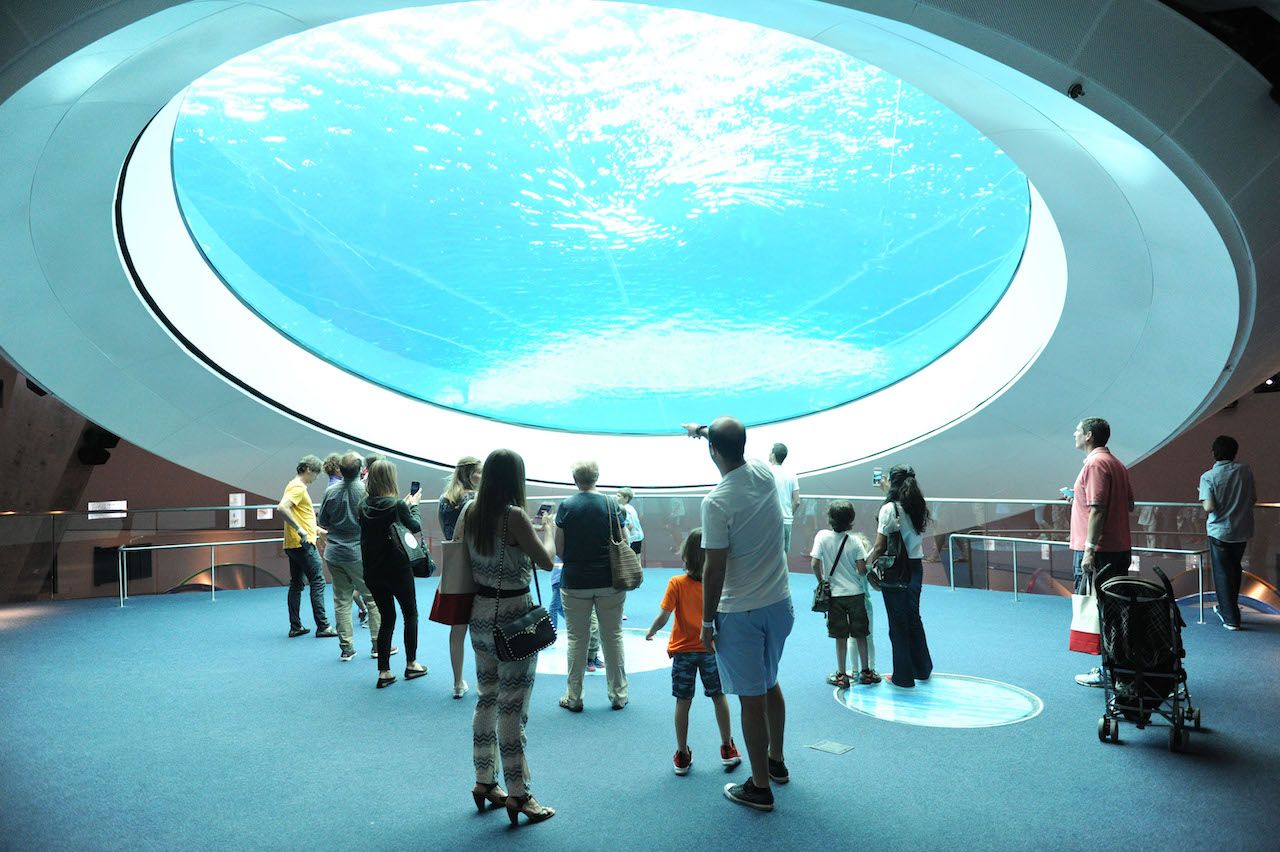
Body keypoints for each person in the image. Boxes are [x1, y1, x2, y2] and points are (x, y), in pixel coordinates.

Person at [682, 419, 792, 813]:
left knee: (750, 700)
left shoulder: (715, 501)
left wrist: (707, 621)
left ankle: (760, 786)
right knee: (770, 683)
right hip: (779, 605)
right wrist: (705, 430)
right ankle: (776, 762)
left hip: (740, 614)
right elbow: (730, 440)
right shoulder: (764, 471)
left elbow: (714, 568)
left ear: (713, 451)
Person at [457, 448, 557, 826]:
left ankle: (484, 781)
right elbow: (546, 561)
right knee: (513, 706)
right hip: (513, 617)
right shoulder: (513, 516)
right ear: (516, 479)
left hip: (480, 613)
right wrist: (547, 532)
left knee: (487, 698)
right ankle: (519, 793)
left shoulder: (471, 511)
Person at [645, 528, 741, 776]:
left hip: (683, 652)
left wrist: (652, 630)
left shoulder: (676, 583)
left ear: (686, 554)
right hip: (710, 650)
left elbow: (664, 616)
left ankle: (682, 753)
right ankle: (727, 747)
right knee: (718, 696)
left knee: (683, 701)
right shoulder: (718, 583)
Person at [555, 460, 629, 711]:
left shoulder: (566, 506)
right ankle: (619, 694)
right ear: (597, 477)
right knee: (613, 636)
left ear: (574, 478)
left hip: (575, 581)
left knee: (577, 639)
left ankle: (574, 697)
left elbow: (560, 550)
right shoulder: (611, 504)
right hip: (610, 580)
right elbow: (624, 539)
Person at [1066, 417, 1135, 687]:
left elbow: (1098, 509)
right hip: (1118, 548)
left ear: (1089, 436)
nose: (1074, 434)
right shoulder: (1116, 464)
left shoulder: (1095, 464)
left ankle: (1111, 672)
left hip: (1099, 551)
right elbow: (1128, 504)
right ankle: (1118, 670)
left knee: (1102, 611)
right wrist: (1079, 500)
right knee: (1114, 610)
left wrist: (1089, 550)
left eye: (1077, 431)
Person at [358, 459, 427, 688]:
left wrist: (403, 506)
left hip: (373, 571)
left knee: (387, 618)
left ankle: (384, 671)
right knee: (410, 614)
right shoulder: (397, 504)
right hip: (397, 569)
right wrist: (413, 505)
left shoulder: (363, 505)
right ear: (390, 478)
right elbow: (414, 526)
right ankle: (411, 663)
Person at [865, 465, 933, 689]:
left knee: (897, 622)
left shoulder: (889, 508)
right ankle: (922, 668)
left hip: (895, 570)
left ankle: (903, 676)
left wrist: (864, 562)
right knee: (914, 617)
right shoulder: (918, 505)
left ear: (891, 482)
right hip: (915, 566)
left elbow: (879, 544)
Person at [317, 451, 386, 662]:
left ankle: (346, 648)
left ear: (340, 469)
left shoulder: (330, 491)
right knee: (373, 599)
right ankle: (377, 646)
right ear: (361, 469)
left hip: (334, 553)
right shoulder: (366, 492)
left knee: (341, 601)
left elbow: (324, 522)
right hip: (358, 553)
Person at [810, 500, 878, 688]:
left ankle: (841, 674)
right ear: (851, 520)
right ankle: (866, 672)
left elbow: (815, 563)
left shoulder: (822, 537)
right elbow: (862, 570)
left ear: (830, 518)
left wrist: (822, 581)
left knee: (840, 636)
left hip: (835, 596)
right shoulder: (855, 541)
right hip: (856, 594)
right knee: (861, 634)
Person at [1199, 435, 1255, 631]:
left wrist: (1202, 493)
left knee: (1222, 573)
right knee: (1234, 569)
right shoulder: (1245, 471)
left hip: (1219, 532)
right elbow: (1252, 499)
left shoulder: (1208, 477)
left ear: (1214, 453)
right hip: (1242, 529)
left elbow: (1209, 507)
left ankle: (1230, 617)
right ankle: (1230, 608)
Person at [278, 455, 336, 639]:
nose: (315, 478)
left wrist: (317, 530)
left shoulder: (293, 485)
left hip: (293, 543)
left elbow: (301, 515)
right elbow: (282, 508)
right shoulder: (297, 487)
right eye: (316, 474)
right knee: (317, 582)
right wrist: (302, 531)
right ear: (309, 470)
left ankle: (296, 626)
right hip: (303, 544)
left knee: (296, 584)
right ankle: (323, 626)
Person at [439, 455, 482, 699]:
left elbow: (448, 535)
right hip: (478, 570)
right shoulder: (476, 500)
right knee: (482, 629)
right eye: (479, 473)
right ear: (469, 474)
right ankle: (483, 680)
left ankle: (457, 682)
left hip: (455, 571)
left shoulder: (445, 500)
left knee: (457, 630)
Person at [769, 443, 800, 556]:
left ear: (773, 455)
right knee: (783, 554)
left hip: (770, 519)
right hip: (787, 520)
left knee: (769, 553)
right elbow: (797, 501)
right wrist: (788, 514)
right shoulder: (792, 474)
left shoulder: (767, 472)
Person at [618, 487, 645, 560]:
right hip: (637, 536)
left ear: (626, 498)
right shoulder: (630, 507)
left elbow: (629, 525)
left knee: (633, 560)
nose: (617, 498)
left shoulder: (625, 509)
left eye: (619, 496)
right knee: (637, 559)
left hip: (633, 537)